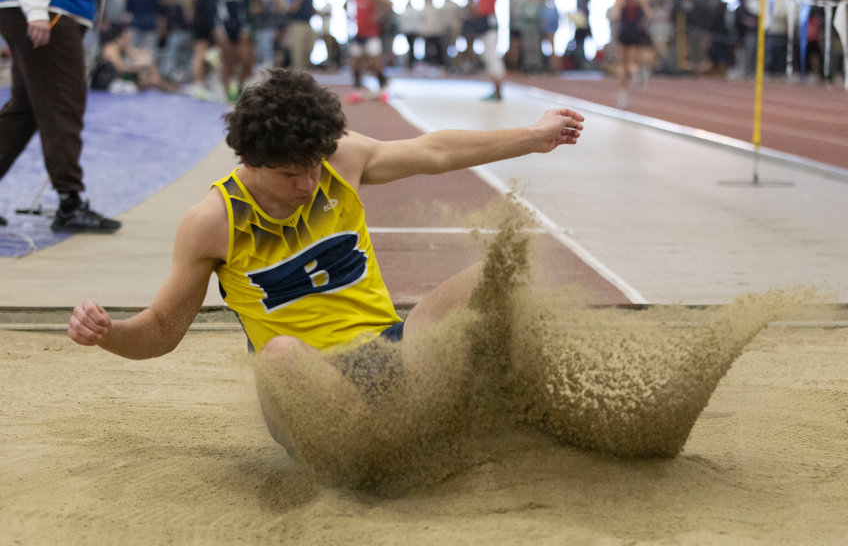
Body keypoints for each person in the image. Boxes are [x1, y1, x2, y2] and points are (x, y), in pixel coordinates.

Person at [66, 69, 584, 453]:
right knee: (281, 355)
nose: (308, 183)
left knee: (494, 276)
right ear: (251, 161)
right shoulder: (213, 222)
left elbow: (434, 151)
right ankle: (386, 456)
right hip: (310, 389)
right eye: (291, 174)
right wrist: (108, 333)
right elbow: (162, 328)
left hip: (392, 356)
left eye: (314, 166)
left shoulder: (338, 159)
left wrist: (534, 137)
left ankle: (536, 415)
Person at [0, 0, 121, 232]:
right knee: (63, 104)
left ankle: (69, 200)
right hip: (49, 8)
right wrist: (36, 10)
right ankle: (69, 203)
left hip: (50, 5)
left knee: (25, 109)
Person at [345, 0, 392, 102]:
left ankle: (383, 87)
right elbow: (345, 6)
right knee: (355, 63)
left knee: (375, 63)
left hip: (372, 33)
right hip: (359, 33)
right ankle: (357, 90)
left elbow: (388, 4)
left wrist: (377, 16)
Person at [211, 0, 253, 103]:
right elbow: (215, 11)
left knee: (245, 59)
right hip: (225, 29)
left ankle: (242, 87)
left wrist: (245, 30)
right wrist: (219, 31)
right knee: (227, 60)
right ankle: (227, 90)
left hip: (240, 29)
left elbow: (246, 10)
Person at [467, 0, 507, 100]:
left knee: (491, 55)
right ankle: (495, 86)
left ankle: (498, 86)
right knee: (486, 55)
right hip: (481, 20)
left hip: (490, 20)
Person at [99, 24, 180, 93]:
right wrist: (140, 66)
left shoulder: (124, 48)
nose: (128, 41)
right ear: (118, 38)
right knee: (152, 81)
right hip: (110, 84)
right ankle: (172, 89)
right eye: (126, 39)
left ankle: (171, 87)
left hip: (121, 81)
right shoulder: (110, 49)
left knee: (150, 67)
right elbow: (121, 68)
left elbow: (145, 54)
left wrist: (146, 61)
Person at [189, 0, 221, 100]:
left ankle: (201, 82)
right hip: (208, 20)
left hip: (200, 18)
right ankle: (198, 83)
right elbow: (215, 3)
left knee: (204, 52)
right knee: (203, 52)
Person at [284, 0, 316, 72]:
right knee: (298, 52)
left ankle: (306, 71)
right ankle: (298, 73)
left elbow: (311, 8)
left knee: (309, 48)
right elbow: (292, 8)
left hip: (308, 24)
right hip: (297, 25)